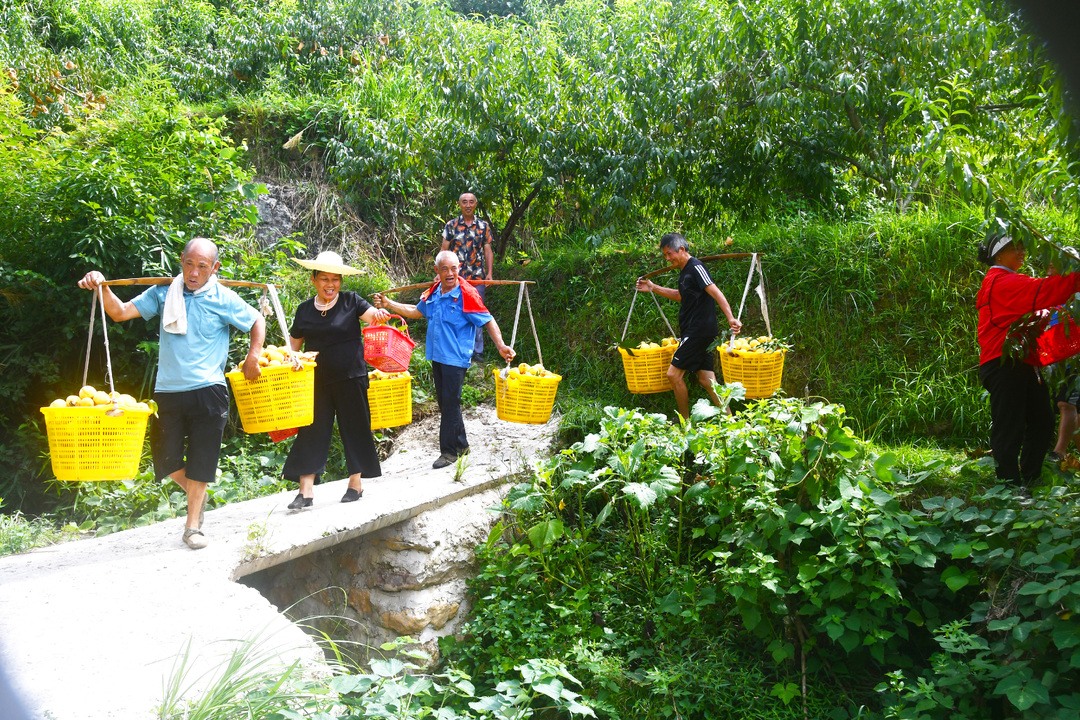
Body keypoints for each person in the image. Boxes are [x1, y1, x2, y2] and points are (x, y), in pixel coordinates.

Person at [78, 237, 265, 549]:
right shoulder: (165, 293)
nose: (193, 272)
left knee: (202, 459)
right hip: (168, 390)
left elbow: (257, 320)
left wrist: (253, 356)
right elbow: (120, 312)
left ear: (214, 268)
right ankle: (198, 494)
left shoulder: (224, 298)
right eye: (189, 264)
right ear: (181, 260)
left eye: (202, 267)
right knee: (166, 458)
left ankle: (192, 526)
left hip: (209, 389)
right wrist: (101, 285)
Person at [373, 251, 515, 469]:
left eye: (454, 268)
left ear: (459, 268)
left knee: (449, 404)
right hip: (437, 356)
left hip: (456, 359)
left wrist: (501, 345)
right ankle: (461, 445)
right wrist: (389, 303)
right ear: (437, 271)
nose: (450, 273)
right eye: (445, 269)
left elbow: (488, 320)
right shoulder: (435, 293)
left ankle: (448, 453)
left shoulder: (467, 295)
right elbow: (415, 311)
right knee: (447, 402)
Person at [282, 251, 390, 509]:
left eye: (335, 279)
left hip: (351, 376)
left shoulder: (351, 301)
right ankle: (305, 492)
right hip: (316, 381)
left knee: (354, 428)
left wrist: (382, 313)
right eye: (324, 279)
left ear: (341, 281)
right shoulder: (304, 310)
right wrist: (288, 362)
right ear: (314, 280)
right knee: (311, 431)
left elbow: (372, 316)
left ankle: (355, 483)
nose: (330, 284)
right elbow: (293, 348)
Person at [976, 233, 1080, 485]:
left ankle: (1030, 478)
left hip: (1023, 362)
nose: (1022, 252)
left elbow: (1046, 308)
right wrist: (1073, 274)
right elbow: (1043, 291)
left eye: (1023, 248)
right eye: (1015, 248)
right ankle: (1009, 483)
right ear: (998, 255)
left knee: (1043, 419)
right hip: (1003, 362)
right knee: (1010, 424)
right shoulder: (999, 282)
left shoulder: (1010, 281)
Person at [635, 233, 742, 421]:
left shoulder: (696, 267)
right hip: (697, 331)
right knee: (707, 380)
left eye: (669, 254)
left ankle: (685, 423)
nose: (668, 259)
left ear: (682, 249)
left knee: (673, 375)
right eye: (665, 256)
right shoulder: (685, 271)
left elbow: (715, 291)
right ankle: (730, 421)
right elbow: (680, 295)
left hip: (698, 331)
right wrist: (653, 287)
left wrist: (731, 318)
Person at [441, 192, 495, 362]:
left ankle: (477, 351)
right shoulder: (451, 225)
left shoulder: (483, 226)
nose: (468, 205)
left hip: (477, 277)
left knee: (477, 312)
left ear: (476, 204)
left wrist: (490, 274)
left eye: (471, 202)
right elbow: (444, 250)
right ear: (459, 204)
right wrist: (439, 273)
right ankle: (457, 349)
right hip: (454, 278)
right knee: (455, 311)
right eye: (464, 202)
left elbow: (487, 250)